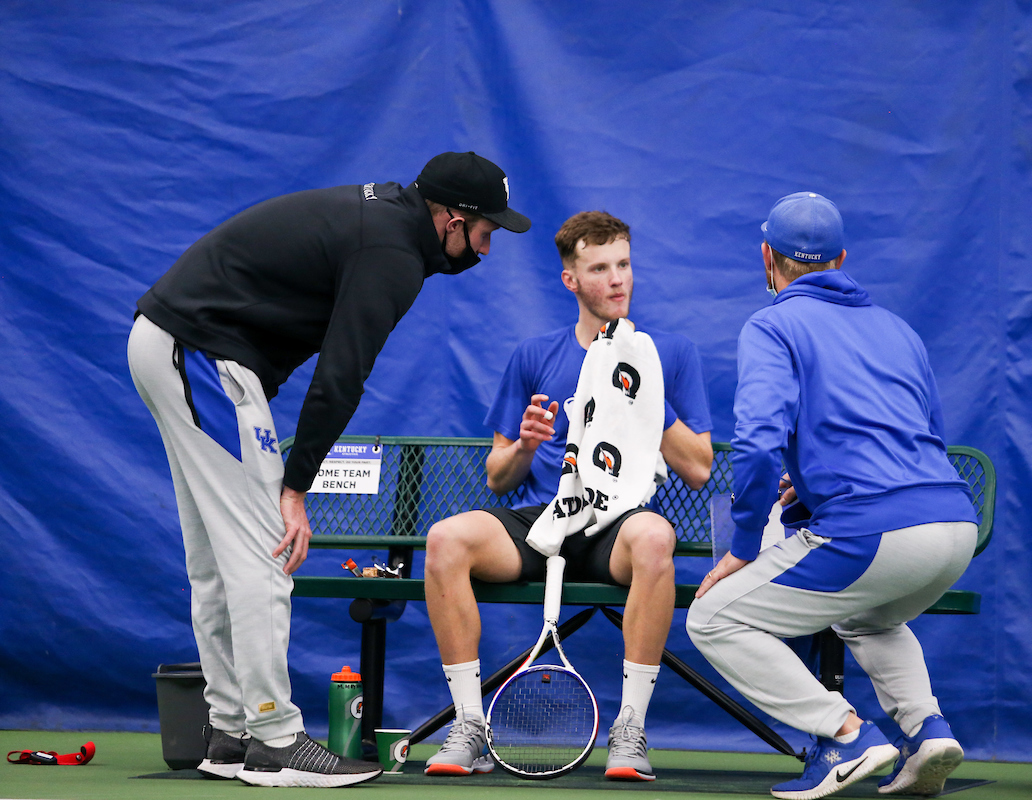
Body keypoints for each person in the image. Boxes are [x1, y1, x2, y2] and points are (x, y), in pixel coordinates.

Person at [127, 152, 530, 788]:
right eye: (488, 229)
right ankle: (275, 738)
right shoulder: (392, 254)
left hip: (175, 343)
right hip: (200, 354)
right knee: (266, 549)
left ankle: (231, 731)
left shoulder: (387, 224)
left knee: (215, 557)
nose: (489, 245)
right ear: (452, 219)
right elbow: (341, 375)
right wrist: (295, 487)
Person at [686, 192, 979, 800]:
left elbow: (759, 445)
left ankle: (847, 736)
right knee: (866, 617)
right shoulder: (900, 330)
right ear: (843, 259)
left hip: (873, 531)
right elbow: (928, 439)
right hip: (954, 525)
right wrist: (817, 486)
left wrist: (742, 549)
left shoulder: (771, 324)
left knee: (713, 618)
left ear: (766, 258)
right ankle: (927, 729)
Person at [422, 211, 713, 782]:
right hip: (543, 523)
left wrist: (643, 390)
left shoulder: (668, 356)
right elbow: (498, 477)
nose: (617, 279)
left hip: (619, 526)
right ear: (571, 280)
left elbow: (699, 468)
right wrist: (526, 445)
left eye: (624, 265)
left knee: (657, 537)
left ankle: (630, 730)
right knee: (445, 540)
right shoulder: (535, 355)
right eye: (599, 268)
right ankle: (470, 727)